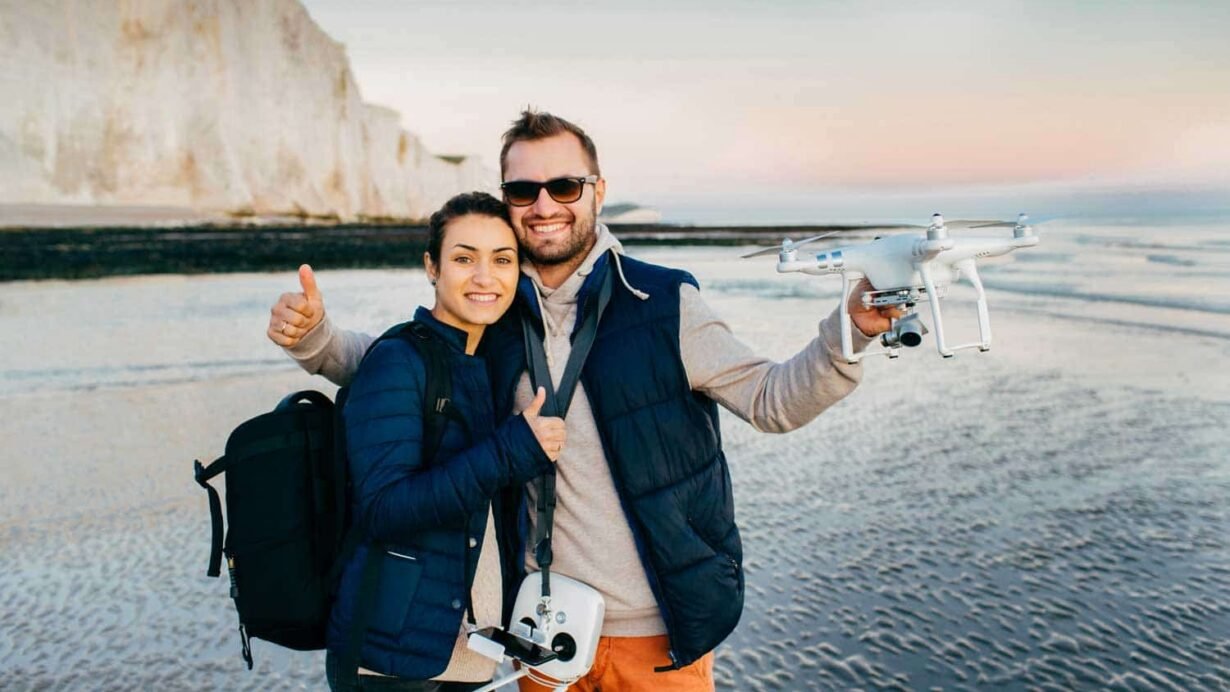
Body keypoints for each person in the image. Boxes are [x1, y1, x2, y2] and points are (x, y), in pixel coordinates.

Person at [270, 111, 898, 692]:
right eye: (523, 191)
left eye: (565, 186)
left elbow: (773, 399)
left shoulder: (663, 304)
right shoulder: (491, 310)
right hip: (536, 637)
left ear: (597, 190)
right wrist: (315, 337)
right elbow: (398, 359)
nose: (544, 205)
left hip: (654, 638)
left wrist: (851, 331)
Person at [321, 191, 566, 691]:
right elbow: (385, 507)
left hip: (461, 657)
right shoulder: (398, 359)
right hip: (393, 664)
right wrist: (512, 450)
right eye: (463, 258)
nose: (484, 277)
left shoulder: (482, 360)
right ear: (431, 266)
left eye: (502, 260)